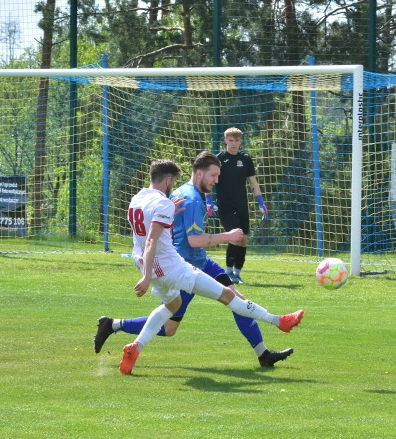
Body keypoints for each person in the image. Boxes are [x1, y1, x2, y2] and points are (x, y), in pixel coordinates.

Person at [94, 151, 295, 368]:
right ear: (176, 178)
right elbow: (187, 240)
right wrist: (228, 236)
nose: (216, 181)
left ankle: (263, 351)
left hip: (177, 263)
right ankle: (279, 321)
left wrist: (171, 215)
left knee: (216, 299)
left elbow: (154, 228)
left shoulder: (139, 199)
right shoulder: (187, 198)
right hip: (181, 264)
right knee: (180, 321)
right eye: (214, 175)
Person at [210, 127, 267, 284]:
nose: (234, 143)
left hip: (242, 204)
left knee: (243, 239)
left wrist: (260, 201)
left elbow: (253, 182)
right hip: (225, 206)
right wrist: (208, 201)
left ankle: (237, 273)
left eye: (237, 140)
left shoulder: (246, 159)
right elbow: (208, 181)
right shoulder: (218, 159)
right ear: (225, 140)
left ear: (241, 141)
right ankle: (227, 273)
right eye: (231, 140)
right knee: (236, 236)